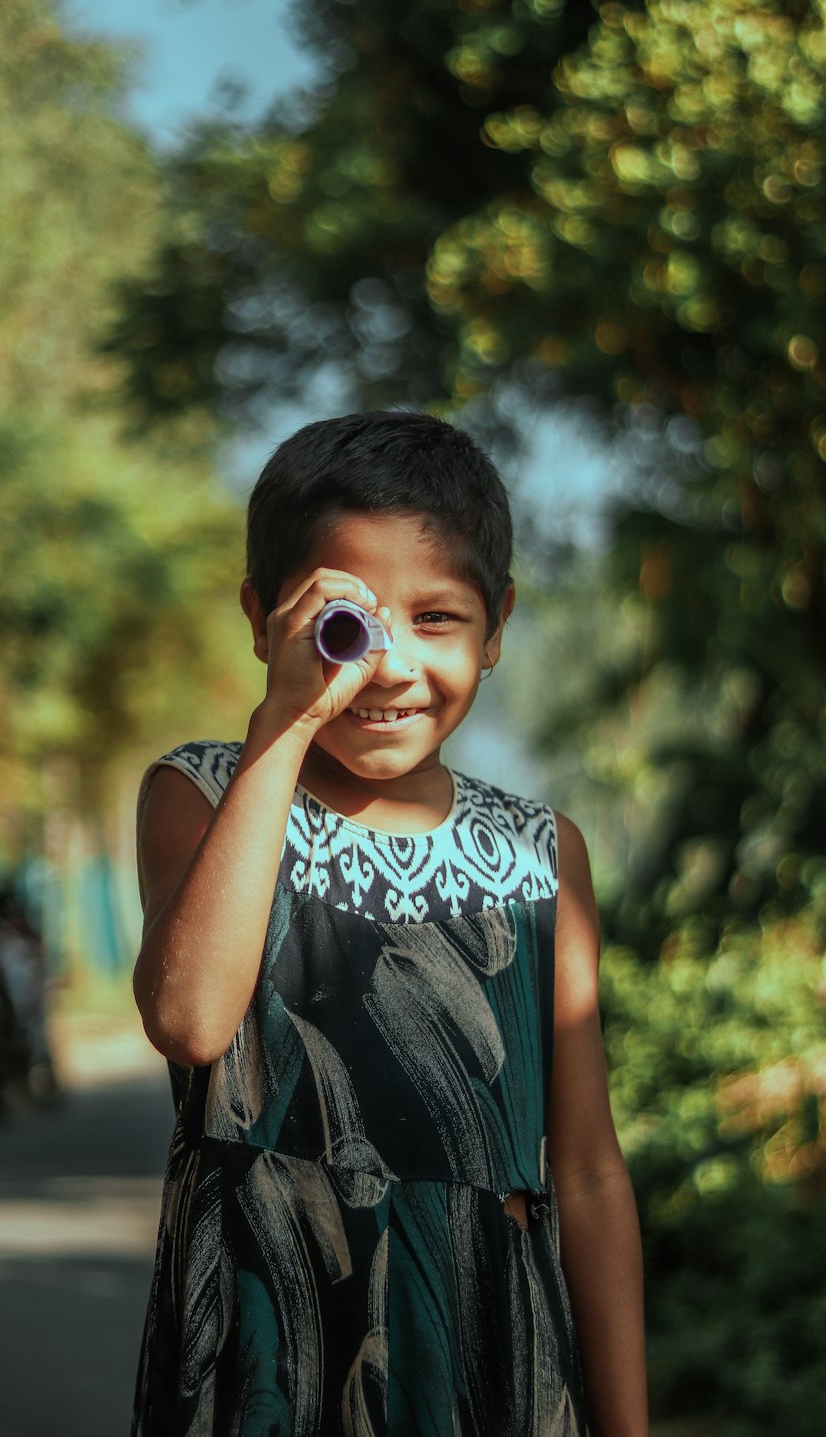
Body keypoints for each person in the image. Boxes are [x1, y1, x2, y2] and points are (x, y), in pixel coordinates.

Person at [131, 411, 648, 1437]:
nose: (390, 667)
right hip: (265, 1347)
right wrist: (284, 724)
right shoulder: (204, 794)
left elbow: (585, 1169)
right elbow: (191, 1022)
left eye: (438, 619)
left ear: (496, 624)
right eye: (348, 625)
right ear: (263, 618)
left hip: (486, 1352)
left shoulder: (541, 853)